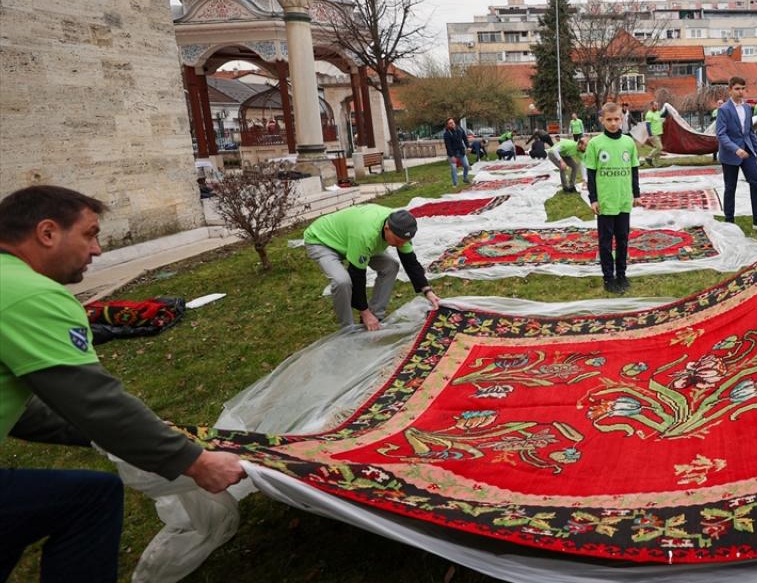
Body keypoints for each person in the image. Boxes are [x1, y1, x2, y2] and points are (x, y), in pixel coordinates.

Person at [0, 185, 246, 581]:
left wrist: (104, 437)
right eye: (90, 234)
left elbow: (25, 411)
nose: (97, 250)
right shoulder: (31, 295)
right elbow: (92, 400)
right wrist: (194, 461)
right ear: (47, 233)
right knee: (91, 499)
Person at [303, 205, 440, 331]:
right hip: (323, 240)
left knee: (391, 266)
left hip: (351, 240)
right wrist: (364, 311)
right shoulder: (366, 234)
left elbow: (410, 262)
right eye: (397, 241)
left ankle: (376, 316)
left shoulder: (400, 229)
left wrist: (427, 291)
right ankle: (348, 329)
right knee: (342, 281)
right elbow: (357, 275)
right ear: (387, 228)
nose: (400, 245)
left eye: (403, 242)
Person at [585, 103, 641, 293]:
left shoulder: (628, 142)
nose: (613, 123)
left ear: (622, 119)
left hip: (623, 199)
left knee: (623, 239)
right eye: (609, 119)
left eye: (616, 119)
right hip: (606, 201)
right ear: (602, 120)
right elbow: (591, 174)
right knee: (606, 241)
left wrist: (637, 194)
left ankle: (622, 275)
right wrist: (593, 199)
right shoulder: (595, 144)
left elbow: (634, 170)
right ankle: (608, 277)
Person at [716, 77, 757, 231]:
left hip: (748, 152)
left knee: (755, 180)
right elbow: (721, 135)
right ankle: (729, 221)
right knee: (730, 187)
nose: (740, 92)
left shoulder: (749, 108)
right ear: (730, 90)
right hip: (730, 155)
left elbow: (750, 132)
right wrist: (736, 149)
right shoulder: (724, 110)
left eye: (742, 88)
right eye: (737, 89)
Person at [441, 118, 470, 186]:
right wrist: (452, 156)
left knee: (466, 165)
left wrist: (468, 146)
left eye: (453, 122)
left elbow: (465, 138)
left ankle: (465, 178)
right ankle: (455, 183)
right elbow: (448, 146)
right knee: (454, 168)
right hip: (452, 153)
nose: (452, 124)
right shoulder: (446, 134)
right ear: (447, 125)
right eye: (450, 123)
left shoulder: (459, 129)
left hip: (461, 151)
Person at [643, 100, 667, 165]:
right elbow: (647, 125)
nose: (656, 107)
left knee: (657, 149)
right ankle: (648, 157)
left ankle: (657, 164)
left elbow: (664, 114)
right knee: (659, 147)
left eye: (657, 106)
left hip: (659, 133)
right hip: (653, 134)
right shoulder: (649, 114)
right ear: (651, 106)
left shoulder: (657, 113)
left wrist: (667, 107)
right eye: (655, 105)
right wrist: (650, 135)